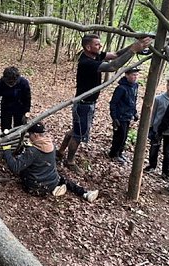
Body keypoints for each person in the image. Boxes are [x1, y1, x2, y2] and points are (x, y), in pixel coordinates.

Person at [57, 33, 152, 169]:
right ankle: (69, 161)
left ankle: (60, 152)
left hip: (87, 103)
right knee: (78, 134)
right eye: (97, 44)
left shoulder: (94, 55)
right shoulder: (87, 62)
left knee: (76, 130)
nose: (100, 45)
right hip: (84, 105)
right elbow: (112, 66)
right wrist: (133, 50)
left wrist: (135, 45)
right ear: (88, 47)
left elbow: (115, 55)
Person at [2, 122, 98, 203]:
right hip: (52, 181)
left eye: (30, 135)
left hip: (35, 187)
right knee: (62, 178)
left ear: (35, 135)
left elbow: (15, 167)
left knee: (24, 168)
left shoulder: (32, 151)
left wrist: (7, 151)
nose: (29, 137)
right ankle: (84, 193)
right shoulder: (50, 145)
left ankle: (56, 188)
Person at [108, 67, 141, 164]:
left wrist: (134, 112)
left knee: (125, 135)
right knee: (120, 136)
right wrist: (114, 118)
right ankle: (114, 153)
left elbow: (133, 101)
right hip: (120, 116)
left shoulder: (135, 86)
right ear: (126, 75)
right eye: (133, 75)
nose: (135, 77)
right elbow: (113, 103)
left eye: (136, 75)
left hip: (128, 115)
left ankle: (120, 152)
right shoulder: (121, 88)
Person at [145, 79, 169, 178]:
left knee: (168, 152)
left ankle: (165, 171)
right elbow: (153, 114)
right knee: (154, 148)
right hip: (157, 128)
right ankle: (152, 165)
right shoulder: (158, 99)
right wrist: (151, 126)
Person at [0, 66, 31, 131]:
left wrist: (26, 113)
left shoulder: (24, 83)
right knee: (5, 128)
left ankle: (17, 140)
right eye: (8, 82)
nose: (10, 85)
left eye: (12, 83)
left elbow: (27, 99)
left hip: (20, 106)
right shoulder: (0, 83)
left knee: (19, 128)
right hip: (6, 106)